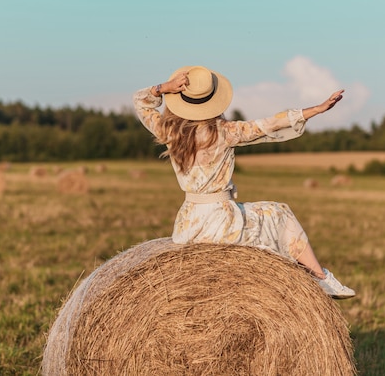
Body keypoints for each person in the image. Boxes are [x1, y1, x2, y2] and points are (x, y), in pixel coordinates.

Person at [133, 65, 355, 299]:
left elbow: (140, 101)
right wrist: (316, 110)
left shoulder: (169, 131)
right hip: (222, 223)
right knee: (281, 213)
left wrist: (163, 88)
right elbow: (270, 124)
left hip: (189, 224)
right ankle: (321, 278)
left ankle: (311, 277)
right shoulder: (225, 132)